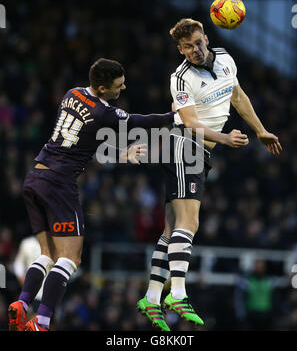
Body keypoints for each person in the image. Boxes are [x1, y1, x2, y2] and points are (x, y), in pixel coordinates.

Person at [8, 58, 177, 331]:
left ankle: (23, 303)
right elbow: (136, 121)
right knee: (70, 258)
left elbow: (88, 141)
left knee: (47, 253)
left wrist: (120, 153)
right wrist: (174, 116)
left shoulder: (71, 93)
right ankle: (41, 322)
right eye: (118, 87)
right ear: (101, 87)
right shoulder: (104, 113)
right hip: (59, 184)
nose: (123, 89)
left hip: (35, 178)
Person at [137, 18, 282, 331]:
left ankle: (151, 297)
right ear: (180, 49)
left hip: (197, 152)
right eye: (188, 47)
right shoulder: (180, 78)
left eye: (199, 42)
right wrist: (227, 138)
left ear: (206, 38)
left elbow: (238, 97)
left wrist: (260, 131)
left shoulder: (227, 59)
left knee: (172, 228)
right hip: (184, 147)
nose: (195, 50)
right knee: (190, 223)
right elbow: (188, 123)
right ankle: (177, 293)